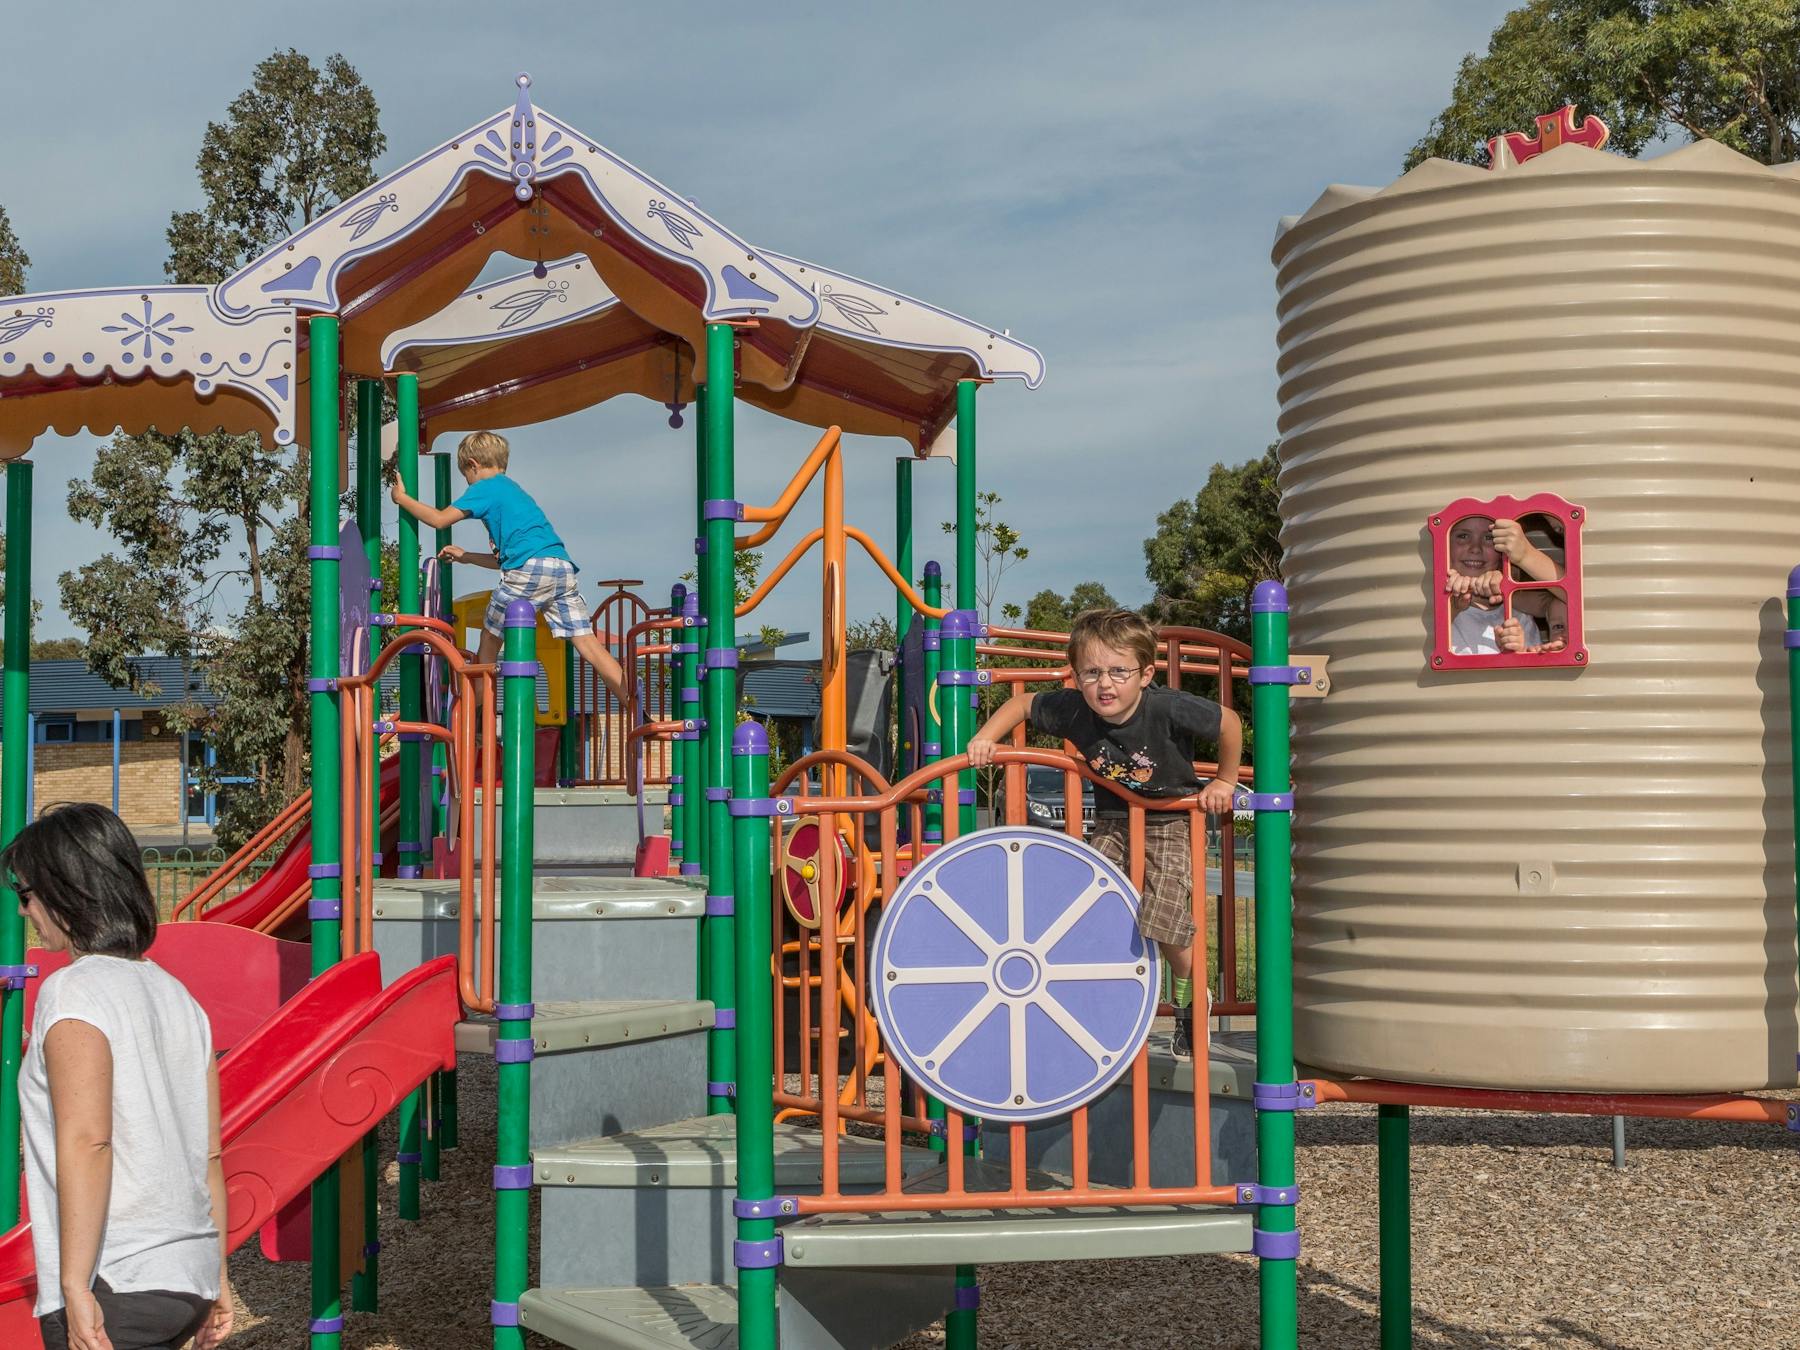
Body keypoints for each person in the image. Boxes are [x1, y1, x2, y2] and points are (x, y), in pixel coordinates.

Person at [967, 608, 1242, 1060]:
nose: (1105, 684)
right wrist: (986, 737)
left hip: (1172, 819)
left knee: (1166, 916)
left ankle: (1193, 998)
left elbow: (1229, 722)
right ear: (1076, 676)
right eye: (1092, 673)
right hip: (1115, 819)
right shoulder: (1075, 709)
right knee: (1091, 903)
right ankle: (1104, 1003)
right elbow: (1020, 705)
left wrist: (1225, 781)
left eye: (1119, 671)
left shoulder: (1166, 706)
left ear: (1146, 674)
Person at [11, 803, 232, 1349]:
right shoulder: (176, 995)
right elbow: (208, 1156)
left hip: (116, 1278)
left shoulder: (74, 992)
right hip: (186, 1277)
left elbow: (90, 1141)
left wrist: (73, 1285)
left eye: (27, 896)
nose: (24, 913)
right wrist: (217, 1275)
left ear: (66, 893)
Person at [390, 431, 630, 707]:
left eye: (465, 475)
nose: (468, 483)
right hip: (560, 567)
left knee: (490, 637)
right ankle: (634, 704)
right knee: (587, 642)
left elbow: (440, 520)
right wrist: (466, 556)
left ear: (473, 465)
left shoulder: (485, 487)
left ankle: (476, 712)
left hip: (530, 567)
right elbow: (511, 559)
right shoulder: (514, 491)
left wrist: (402, 499)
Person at [1444, 514, 1543, 655]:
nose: (1475, 548)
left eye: (1489, 538)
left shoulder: (1519, 617)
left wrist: (1519, 651)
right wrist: (1450, 609)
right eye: (1463, 536)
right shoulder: (1428, 604)